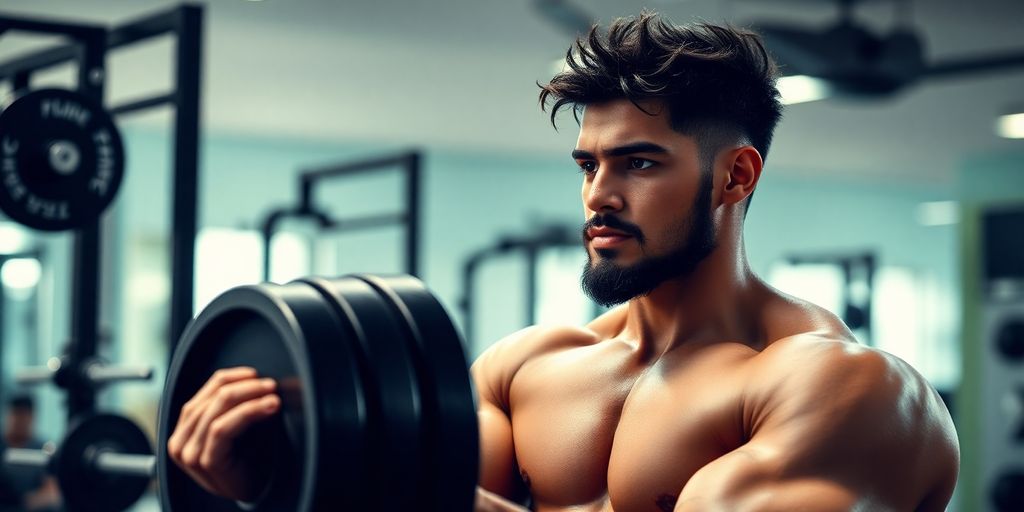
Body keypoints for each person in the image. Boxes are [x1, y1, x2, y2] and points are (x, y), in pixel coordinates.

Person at [167, 11, 960, 511]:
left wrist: (380, 479)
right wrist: (278, 487)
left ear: (735, 175)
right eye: (589, 166)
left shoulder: (841, 390)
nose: (600, 196)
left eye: (640, 164)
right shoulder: (526, 368)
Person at [0, 395, 60, 512]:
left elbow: (53, 493)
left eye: (24, 416)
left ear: (32, 418)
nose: (19, 421)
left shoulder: (43, 449)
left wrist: (21, 503)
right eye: (16, 415)